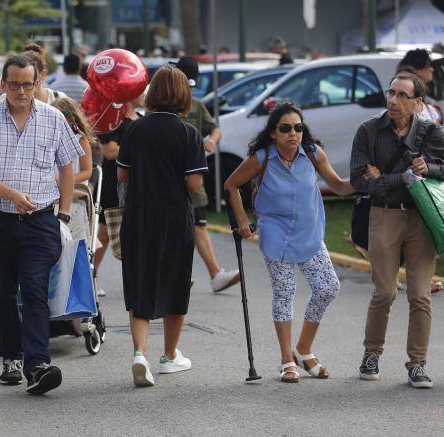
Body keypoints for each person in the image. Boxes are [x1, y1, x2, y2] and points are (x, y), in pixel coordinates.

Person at [0, 54, 83, 395]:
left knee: (34, 288)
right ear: (4, 85)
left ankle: (38, 365)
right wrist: (13, 195)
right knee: (2, 293)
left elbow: (68, 167)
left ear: (38, 83)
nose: (22, 90)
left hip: (40, 222)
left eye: (28, 84)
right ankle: (12, 358)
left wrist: (63, 215)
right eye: (15, 84)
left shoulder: (53, 118)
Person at [226, 101, 352, 383]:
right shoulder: (262, 158)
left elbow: (340, 185)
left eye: (297, 128)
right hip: (276, 235)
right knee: (284, 294)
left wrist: (363, 181)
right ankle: (286, 360)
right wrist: (242, 221)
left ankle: (304, 350)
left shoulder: (312, 153)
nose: (292, 134)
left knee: (328, 287)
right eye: (285, 129)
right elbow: (231, 185)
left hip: (309, 234)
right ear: (273, 133)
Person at [350, 71, 444, 388]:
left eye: (403, 95)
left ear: (418, 103)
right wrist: (401, 178)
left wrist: (428, 168)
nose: (394, 100)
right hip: (384, 215)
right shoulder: (368, 131)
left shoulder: (432, 133)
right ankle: (371, 354)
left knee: (420, 295)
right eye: (392, 93)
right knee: (385, 292)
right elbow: (359, 181)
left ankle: (417, 364)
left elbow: (441, 170)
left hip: (421, 218)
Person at [116, 66, 206, 386]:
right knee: (175, 280)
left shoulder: (135, 130)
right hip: (174, 215)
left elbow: (122, 175)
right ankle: (169, 355)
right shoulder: (188, 134)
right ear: (183, 95)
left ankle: (139, 352)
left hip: (139, 213)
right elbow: (194, 184)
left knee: (140, 280)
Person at [174, 56, 240, 292]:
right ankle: (175, 274)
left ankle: (214, 274)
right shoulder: (164, 105)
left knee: (198, 224)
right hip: (169, 175)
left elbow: (215, 129)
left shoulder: (196, 105)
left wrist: (212, 140)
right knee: (174, 227)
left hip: (192, 173)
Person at [94, 96, 143, 295]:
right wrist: (139, 146)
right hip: (113, 183)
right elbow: (110, 151)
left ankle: (148, 277)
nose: (145, 94)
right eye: (141, 91)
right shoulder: (114, 120)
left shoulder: (141, 118)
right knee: (105, 233)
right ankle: (90, 275)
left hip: (138, 183)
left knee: (138, 231)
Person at [51, 97, 95, 242]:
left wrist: (66, 179)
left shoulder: (80, 140)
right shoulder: (49, 138)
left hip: (72, 189)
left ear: (70, 119)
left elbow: (87, 171)